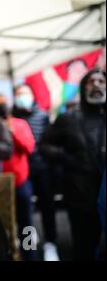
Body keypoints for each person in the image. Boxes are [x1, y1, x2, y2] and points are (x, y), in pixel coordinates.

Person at [40, 68, 106, 261]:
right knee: (84, 247)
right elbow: (44, 145)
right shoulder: (68, 118)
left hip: (104, 193)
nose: (96, 85)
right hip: (80, 195)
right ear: (83, 87)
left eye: (101, 81)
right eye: (90, 81)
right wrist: (66, 158)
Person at [12, 84, 60, 261]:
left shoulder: (42, 116)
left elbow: (51, 142)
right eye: (18, 94)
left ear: (32, 95)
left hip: (43, 169)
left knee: (48, 207)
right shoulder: (12, 118)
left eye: (25, 94)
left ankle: (50, 243)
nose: (21, 97)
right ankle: (28, 245)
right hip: (22, 172)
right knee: (25, 211)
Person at [0, 94, 36, 261]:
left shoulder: (20, 124)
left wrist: (12, 131)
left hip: (20, 182)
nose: (1, 107)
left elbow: (29, 147)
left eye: (3, 104)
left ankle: (30, 256)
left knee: (27, 225)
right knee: (1, 226)